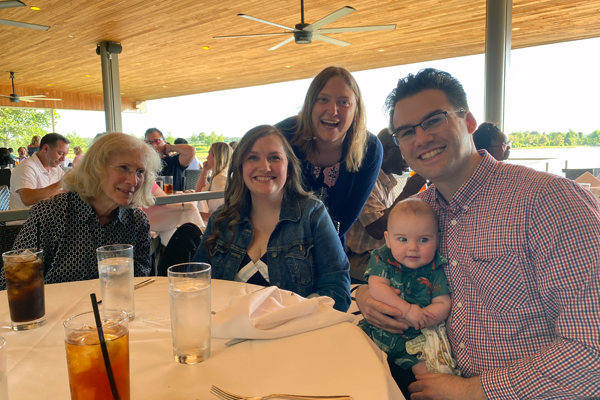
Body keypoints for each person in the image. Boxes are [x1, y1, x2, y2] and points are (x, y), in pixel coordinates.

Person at [355, 68, 600, 399]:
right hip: (430, 376)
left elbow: (592, 349)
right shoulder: (418, 210)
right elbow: (384, 268)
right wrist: (366, 297)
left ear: (468, 121)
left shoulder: (550, 201)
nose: (421, 139)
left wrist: (473, 390)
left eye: (433, 120)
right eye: (406, 132)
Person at [193, 125, 351, 312]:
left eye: (274, 157)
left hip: (294, 336)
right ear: (240, 167)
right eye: (253, 157)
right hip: (228, 336)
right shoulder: (221, 219)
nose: (265, 167)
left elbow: (338, 291)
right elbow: (197, 283)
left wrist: (291, 314)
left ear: (289, 167)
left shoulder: (312, 214)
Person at [9, 132, 162, 286]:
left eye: (140, 172)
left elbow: (139, 282)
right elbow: (15, 281)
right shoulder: (51, 213)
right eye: (123, 167)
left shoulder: (136, 221)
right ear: (96, 169)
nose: (133, 180)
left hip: (116, 308)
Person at [276, 66, 383, 246]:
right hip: (278, 244)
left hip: (330, 248)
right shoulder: (283, 136)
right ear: (310, 104)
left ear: (356, 109)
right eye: (323, 99)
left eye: (343, 102)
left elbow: (348, 215)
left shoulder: (370, 148)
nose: (333, 110)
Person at [359, 198, 459, 378]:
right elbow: (377, 287)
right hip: (376, 330)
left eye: (423, 240)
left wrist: (423, 319)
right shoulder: (383, 257)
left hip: (415, 337)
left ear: (437, 240)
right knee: (358, 364)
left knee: (427, 377)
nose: (413, 247)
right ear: (388, 239)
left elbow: (443, 303)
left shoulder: (435, 267)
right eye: (403, 239)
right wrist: (407, 310)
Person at [346, 128, 426, 282]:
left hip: (379, 255)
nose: (407, 159)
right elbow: (377, 229)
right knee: (412, 281)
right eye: (403, 152)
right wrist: (407, 193)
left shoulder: (386, 182)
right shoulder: (367, 182)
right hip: (360, 259)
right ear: (386, 153)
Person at [9, 133, 70, 210]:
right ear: (46, 149)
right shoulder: (26, 167)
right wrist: (62, 182)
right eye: (60, 153)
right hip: (25, 219)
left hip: (47, 216)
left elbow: (64, 191)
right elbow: (27, 199)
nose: (63, 159)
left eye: (65, 155)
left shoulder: (55, 167)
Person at [196, 142, 232, 223]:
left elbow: (227, 213)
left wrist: (204, 215)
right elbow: (199, 191)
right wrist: (205, 171)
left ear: (216, 157)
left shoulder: (221, 179)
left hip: (219, 226)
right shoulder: (219, 176)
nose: (206, 157)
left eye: (209, 154)